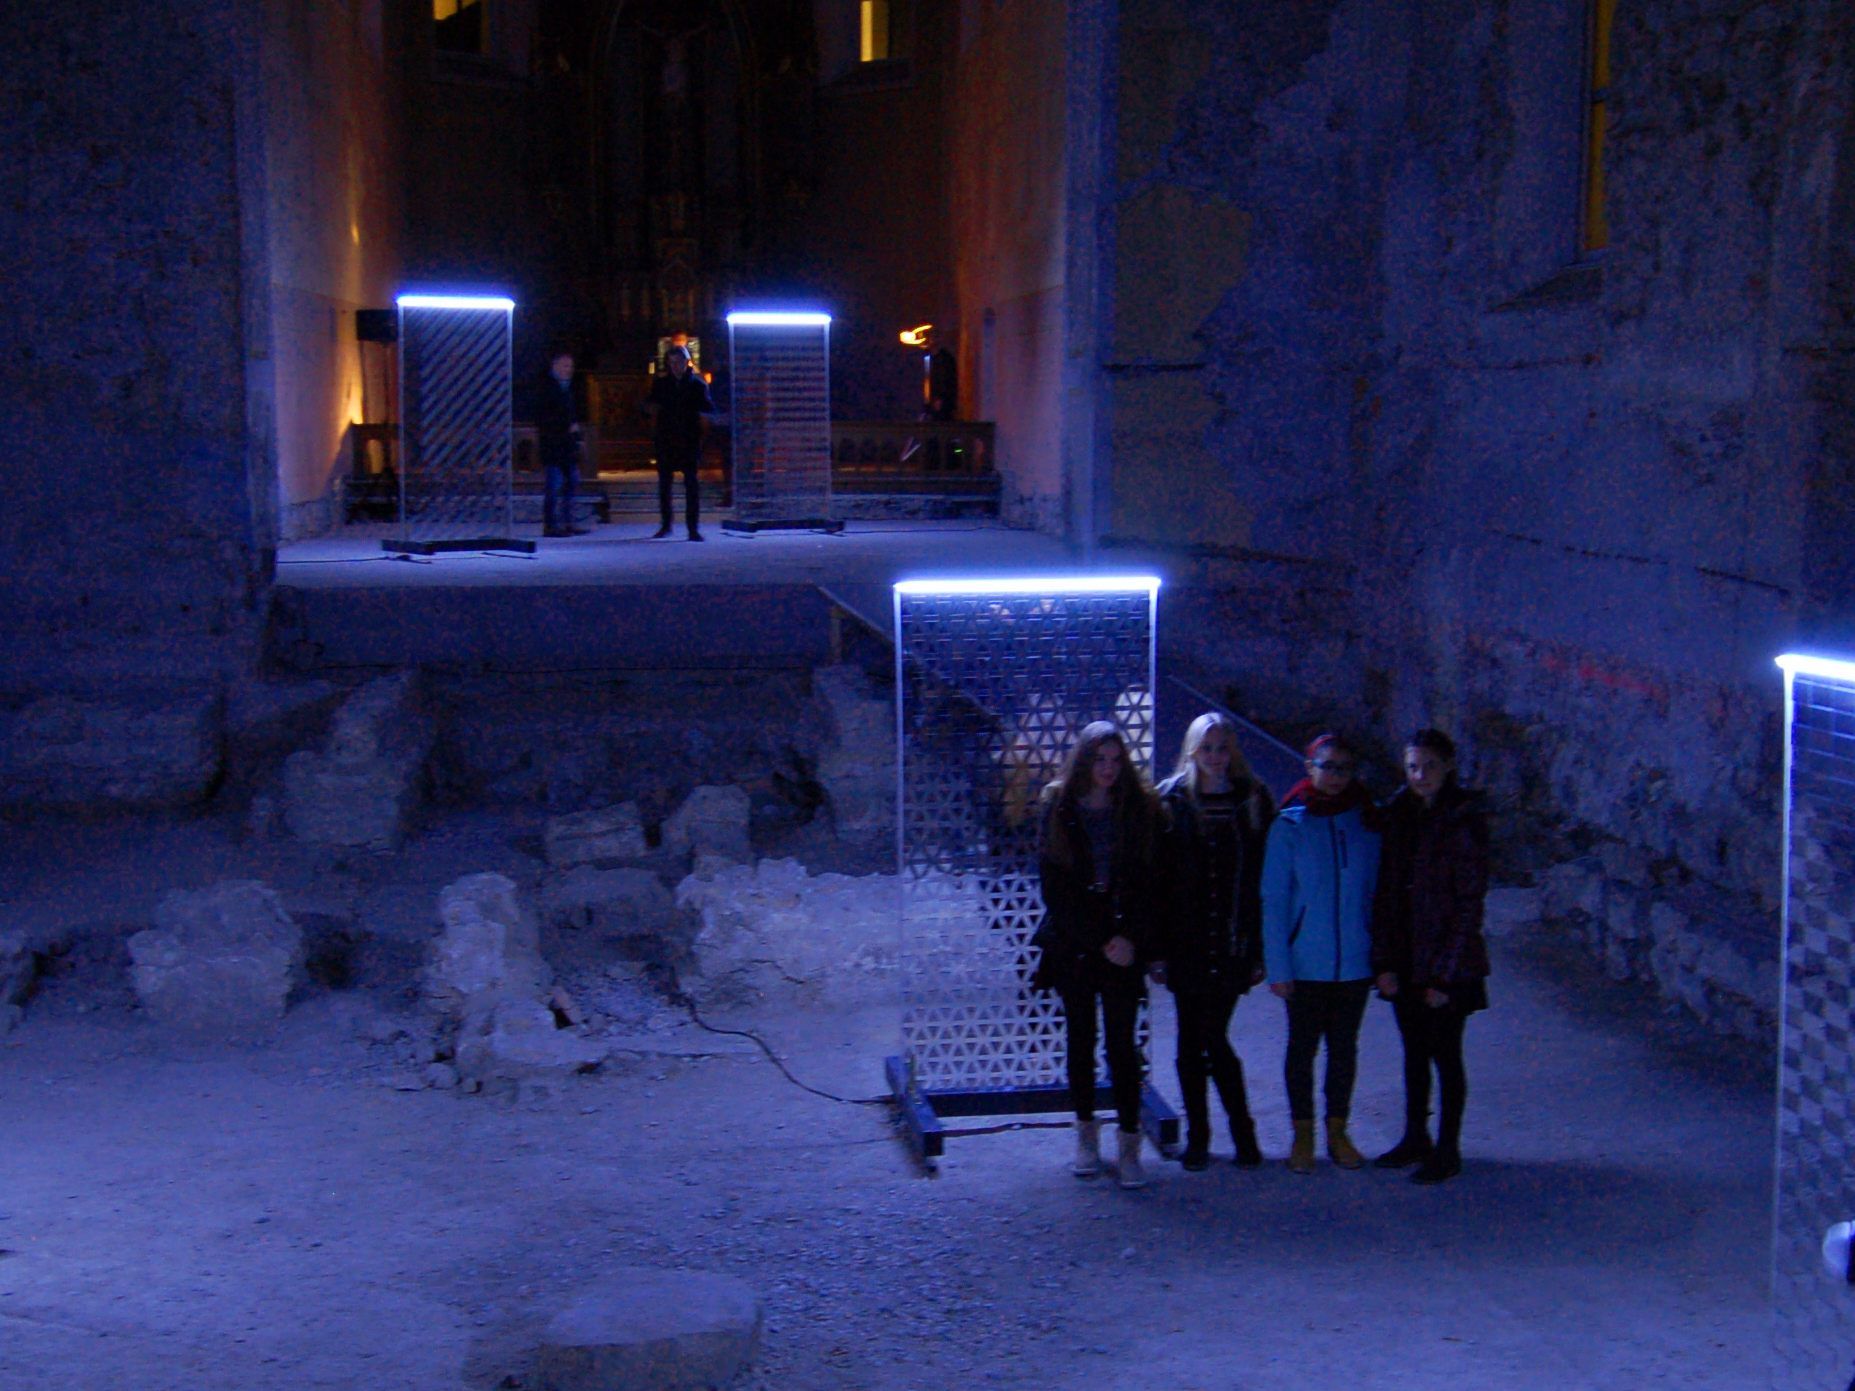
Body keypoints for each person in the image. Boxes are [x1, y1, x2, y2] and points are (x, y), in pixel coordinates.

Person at [1034, 720, 1161, 1188]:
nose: (1107, 769)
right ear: (1084, 761)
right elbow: (1054, 886)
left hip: (1123, 946)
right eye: (1099, 759)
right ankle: (1087, 1136)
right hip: (1078, 947)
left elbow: (1150, 880)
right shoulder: (1059, 806)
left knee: (1123, 1047)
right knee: (1081, 1041)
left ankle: (1130, 1143)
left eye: (1115, 759)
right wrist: (1099, 940)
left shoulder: (1138, 807)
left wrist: (1130, 939)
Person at [1153, 713, 1274, 1170]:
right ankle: (1203, 1135)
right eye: (1207, 749)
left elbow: (1266, 878)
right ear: (1192, 751)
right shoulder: (1172, 800)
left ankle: (1240, 1131)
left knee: (1213, 1036)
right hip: (1186, 938)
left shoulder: (1252, 799)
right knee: (1191, 1040)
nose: (1216, 758)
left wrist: (1260, 946)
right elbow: (1159, 878)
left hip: (1230, 937)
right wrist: (1158, 949)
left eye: (1222, 749)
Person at [1370, 728, 1491, 1184]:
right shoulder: (1399, 812)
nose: (1421, 775)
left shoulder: (1463, 819)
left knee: (1445, 1054)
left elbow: (1468, 904)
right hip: (1405, 954)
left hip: (1444, 961)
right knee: (1414, 1052)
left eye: (1430, 766)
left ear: (1449, 767)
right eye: (1413, 766)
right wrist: (1384, 962)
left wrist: (1444, 976)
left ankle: (1447, 1147)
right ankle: (1415, 1136)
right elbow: (1386, 891)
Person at [1261, 733, 1381, 1174]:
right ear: (1309, 768)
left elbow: (1376, 893)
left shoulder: (1367, 822)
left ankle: (1337, 1129)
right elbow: (1273, 898)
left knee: (1344, 1049)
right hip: (1305, 961)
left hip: (1353, 960)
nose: (1334, 777)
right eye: (1326, 767)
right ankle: (1303, 1132)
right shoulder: (1290, 824)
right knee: (1302, 1049)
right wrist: (1279, 964)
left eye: (1343, 768)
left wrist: (1376, 952)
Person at [646, 344, 715, 540]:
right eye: (672, 362)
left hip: (689, 440)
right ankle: (666, 525)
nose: (676, 366)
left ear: (687, 362)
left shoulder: (697, 385)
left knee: (691, 486)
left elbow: (708, 408)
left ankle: (692, 528)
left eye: (680, 362)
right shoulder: (661, 384)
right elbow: (651, 404)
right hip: (666, 439)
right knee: (664, 485)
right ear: (668, 363)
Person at [536, 349, 586, 538]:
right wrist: (566, 426)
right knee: (554, 486)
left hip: (567, 447)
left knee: (572, 483)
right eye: (565, 366)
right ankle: (551, 525)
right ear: (555, 366)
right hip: (553, 446)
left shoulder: (567, 388)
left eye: (571, 366)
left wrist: (576, 437)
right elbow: (543, 417)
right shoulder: (546, 387)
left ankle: (568, 522)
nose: (569, 369)